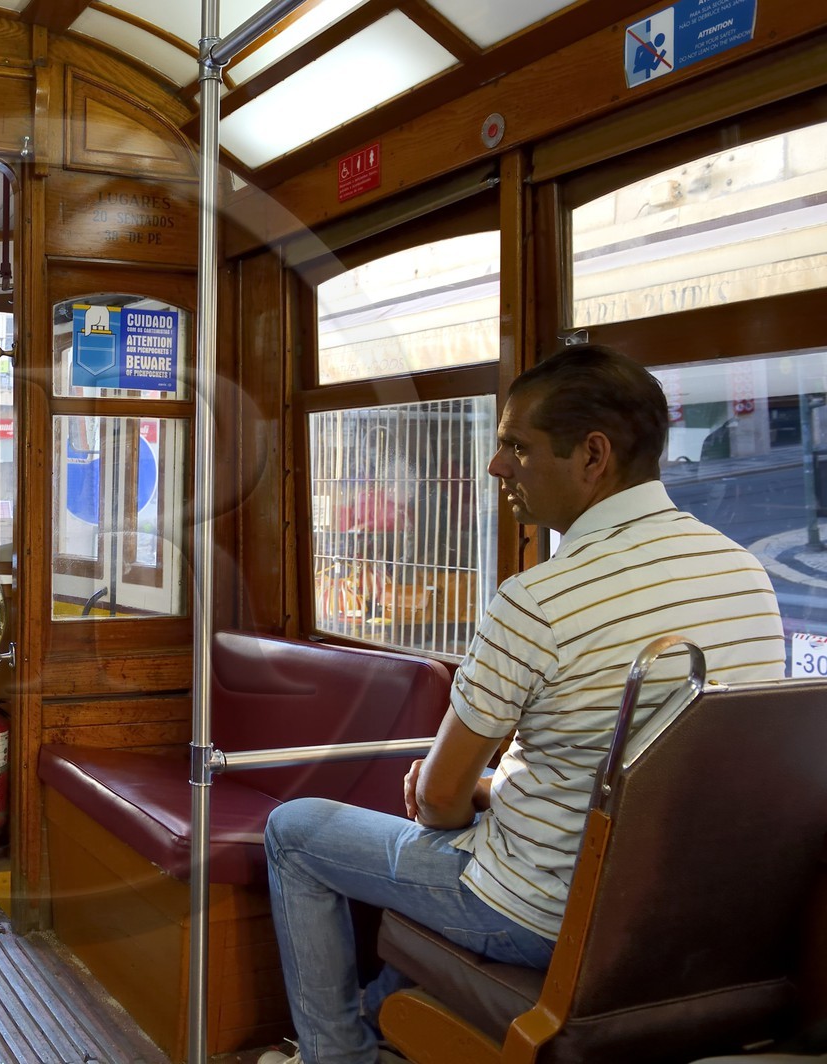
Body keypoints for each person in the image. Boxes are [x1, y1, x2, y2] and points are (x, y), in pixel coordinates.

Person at [261, 344, 785, 1064]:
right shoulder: (745, 574)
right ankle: (382, 1023)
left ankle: (334, 1057)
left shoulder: (539, 601)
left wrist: (453, 797)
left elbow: (438, 801)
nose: (496, 467)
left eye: (517, 446)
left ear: (592, 456)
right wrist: (490, 793)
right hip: (687, 911)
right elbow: (627, 772)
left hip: (542, 915)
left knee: (294, 829)